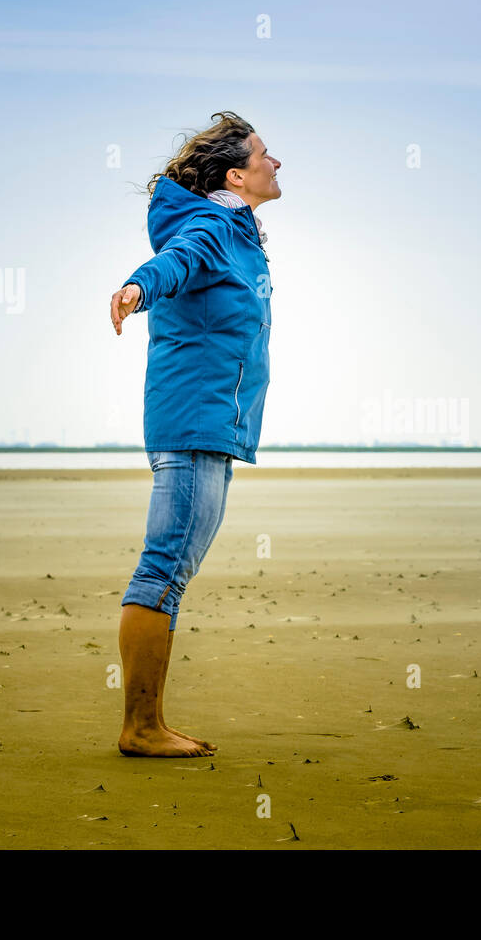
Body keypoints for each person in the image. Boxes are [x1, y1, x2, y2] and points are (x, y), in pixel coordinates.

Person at [108, 111, 281, 756]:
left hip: (211, 421)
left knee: (170, 569)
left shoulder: (238, 233)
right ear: (236, 174)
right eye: (265, 154)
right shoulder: (212, 225)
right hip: (193, 420)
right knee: (163, 569)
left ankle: (146, 723)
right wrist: (137, 288)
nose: (276, 162)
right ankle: (141, 728)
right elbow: (174, 264)